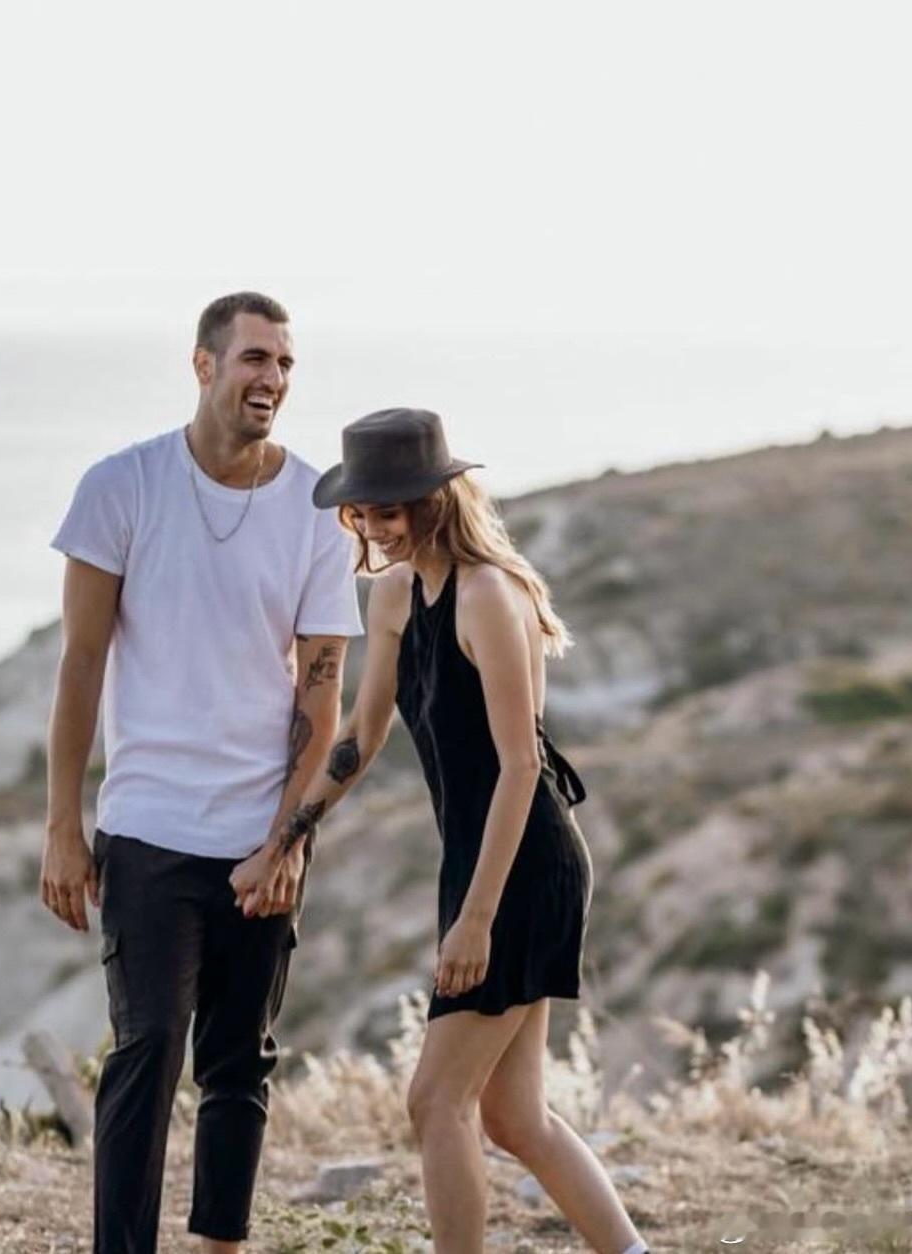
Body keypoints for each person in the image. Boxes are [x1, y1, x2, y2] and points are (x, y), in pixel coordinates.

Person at [230, 408, 651, 1254]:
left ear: (436, 499)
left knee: (435, 1101)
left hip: (523, 863)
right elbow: (360, 737)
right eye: (361, 512)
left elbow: (519, 766)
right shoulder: (394, 594)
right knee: (514, 1117)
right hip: (477, 860)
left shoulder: (488, 595)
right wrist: (283, 841)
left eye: (389, 510)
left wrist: (476, 918)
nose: (373, 528)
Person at [41, 292, 363, 1254]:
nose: (273, 379)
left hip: (261, 835)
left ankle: (222, 1244)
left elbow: (320, 696)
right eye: (256, 358)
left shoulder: (316, 511)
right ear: (204, 364)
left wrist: (287, 842)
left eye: (285, 364)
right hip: (147, 826)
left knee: (237, 1062)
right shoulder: (122, 486)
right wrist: (63, 827)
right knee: (146, 1046)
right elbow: (80, 666)